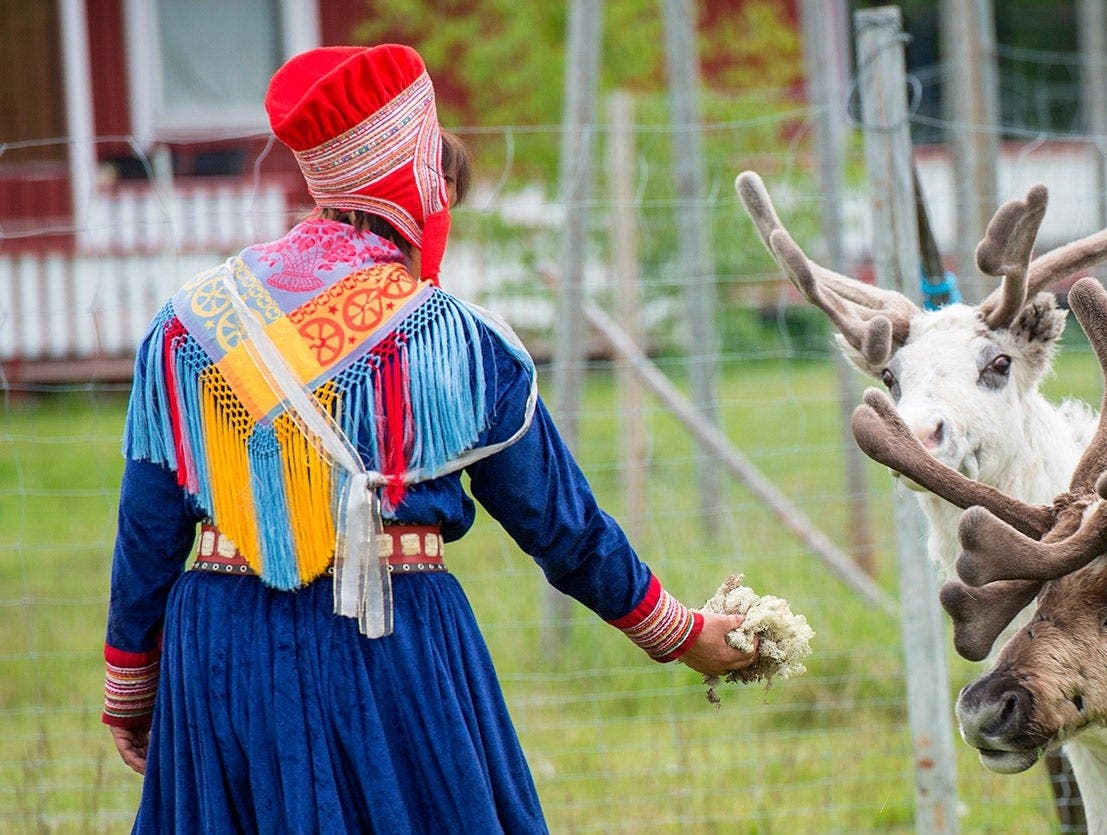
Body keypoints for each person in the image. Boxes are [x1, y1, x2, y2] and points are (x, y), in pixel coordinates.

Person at [101, 44, 755, 832]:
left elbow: (148, 528)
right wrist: (681, 632)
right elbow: (561, 526)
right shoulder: (456, 339)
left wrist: (133, 685)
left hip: (219, 653)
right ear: (413, 177)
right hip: (390, 645)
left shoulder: (185, 328)